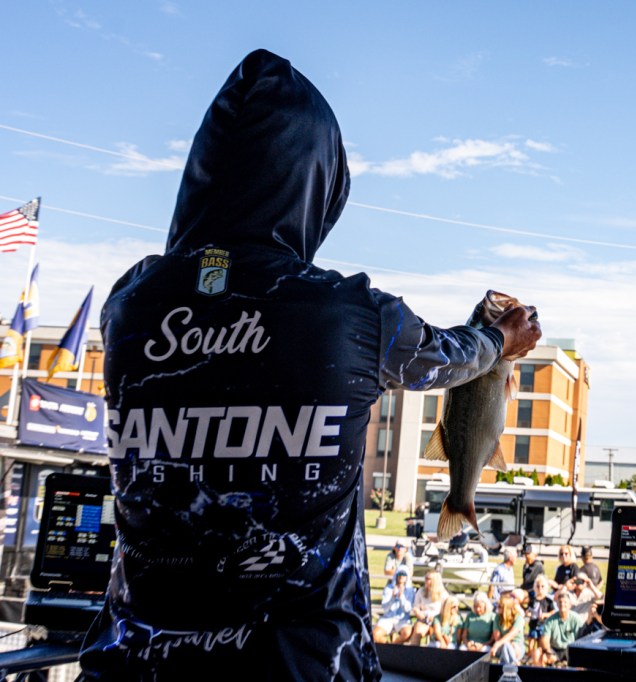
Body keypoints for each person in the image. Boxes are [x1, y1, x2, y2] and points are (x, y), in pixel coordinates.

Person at [76, 49, 542, 681]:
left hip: (134, 664)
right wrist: (497, 339)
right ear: (316, 184)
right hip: (303, 665)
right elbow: (441, 359)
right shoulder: (348, 313)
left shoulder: (128, 304)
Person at [534, 590, 585, 667]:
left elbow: (582, 638)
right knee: (537, 653)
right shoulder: (550, 620)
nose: (562, 604)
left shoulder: (577, 619)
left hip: (571, 649)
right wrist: (549, 653)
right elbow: (545, 639)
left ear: (570, 605)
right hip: (555, 649)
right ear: (557, 605)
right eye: (560, 602)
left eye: (565, 602)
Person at [404, 569, 451, 646]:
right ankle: (414, 651)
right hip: (424, 620)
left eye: (428, 579)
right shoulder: (421, 591)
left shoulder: (443, 594)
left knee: (439, 634)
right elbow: (415, 607)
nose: (425, 580)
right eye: (425, 578)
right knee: (417, 632)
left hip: (438, 621)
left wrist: (435, 619)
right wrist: (420, 615)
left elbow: (446, 610)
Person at [373, 566, 416, 644]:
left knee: (407, 633)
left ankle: (393, 646)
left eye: (404, 575)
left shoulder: (410, 590)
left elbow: (408, 609)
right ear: (396, 575)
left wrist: (401, 597)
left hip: (403, 619)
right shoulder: (388, 588)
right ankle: (388, 646)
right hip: (388, 618)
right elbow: (385, 608)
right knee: (375, 634)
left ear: (407, 577)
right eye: (399, 574)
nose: (401, 576)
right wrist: (392, 598)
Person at [491, 591, 526, 665]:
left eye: (499, 606)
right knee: (505, 646)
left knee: (507, 647)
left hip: (517, 645)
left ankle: (505, 665)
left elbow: (511, 634)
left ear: (506, 608)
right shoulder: (497, 617)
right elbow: (497, 637)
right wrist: (503, 643)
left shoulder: (518, 618)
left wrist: (497, 644)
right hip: (501, 645)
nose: (497, 608)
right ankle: (514, 664)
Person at [525, 575, 556, 654]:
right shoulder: (532, 600)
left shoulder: (548, 601)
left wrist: (545, 615)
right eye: (538, 586)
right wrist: (528, 614)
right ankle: (530, 657)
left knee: (540, 645)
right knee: (531, 644)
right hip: (533, 625)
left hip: (543, 625)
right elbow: (528, 610)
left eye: (542, 586)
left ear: (546, 587)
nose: (540, 588)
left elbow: (552, 612)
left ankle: (538, 658)